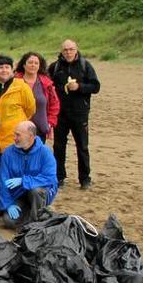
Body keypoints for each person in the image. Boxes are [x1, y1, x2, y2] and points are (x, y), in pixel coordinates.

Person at [48, 39, 100, 190]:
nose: (68, 52)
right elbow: (48, 85)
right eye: (65, 50)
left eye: (71, 49)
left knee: (82, 146)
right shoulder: (55, 67)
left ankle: (85, 179)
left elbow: (96, 86)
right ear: (61, 51)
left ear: (76, 50)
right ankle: (59, 177)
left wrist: (79, 87)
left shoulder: (85, 66)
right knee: (58, 147)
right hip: (60, 114)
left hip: (80, 113)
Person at [0, 54, 36, 210]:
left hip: (14, 140)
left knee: (14, 174)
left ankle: (14, 204)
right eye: (0, 67)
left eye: (7, 67)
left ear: (12, 69)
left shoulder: (21, 86)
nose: (4, 70)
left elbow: (30, 109)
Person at [0, 121, 58, 229]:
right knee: (8, 221)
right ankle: (34, 216)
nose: (14, 138)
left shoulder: (45, 153)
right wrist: (8, 204)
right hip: (19, 194)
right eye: (14, 134)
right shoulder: (8, 153)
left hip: (39, 194)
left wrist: (23, 181)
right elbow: (3, 181)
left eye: (18, 135)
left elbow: (50, 178)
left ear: (31, 136)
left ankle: (38, 219)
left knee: (35, 190)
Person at [15, 52, 60, 141]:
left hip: (40, 129)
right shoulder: (14, 82)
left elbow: (54, 104)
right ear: (24, 65)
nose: (33, 65)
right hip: (18, 128)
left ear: (39, 66)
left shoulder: (47, 84)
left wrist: (50, 123)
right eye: (30, 62)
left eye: (36, 63)